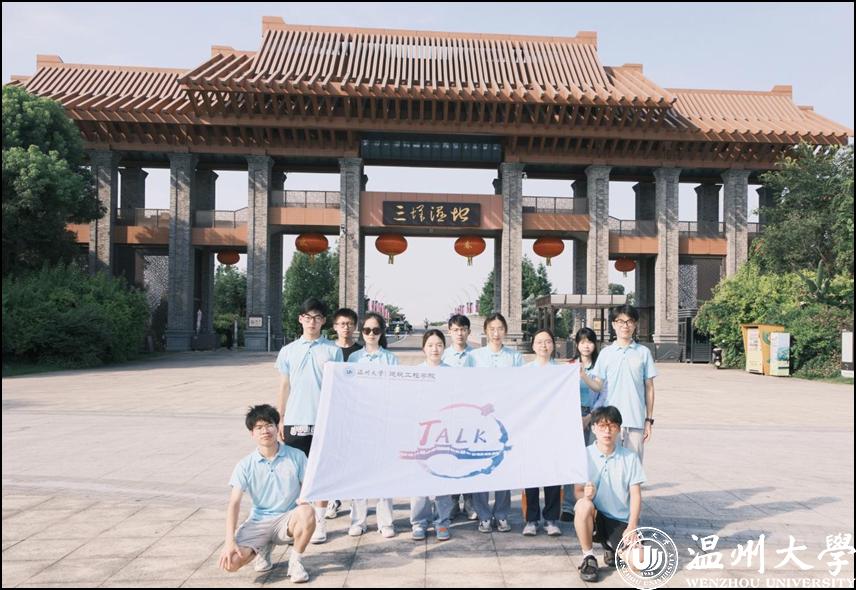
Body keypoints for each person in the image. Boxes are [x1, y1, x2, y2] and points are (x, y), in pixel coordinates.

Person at [218, 404, 315, 583]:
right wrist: (229, 541)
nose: (265, 431)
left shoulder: (297, 456)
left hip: (287, 520)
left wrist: (304, 500)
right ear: (252, 433)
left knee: (307, 511)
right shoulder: (245, 465)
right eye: (259, 427)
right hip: (259, 522)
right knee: (230, 563)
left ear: (277, 427)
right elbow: (234, 503)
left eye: (269, 425)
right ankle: (264, 547)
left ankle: (295, 562)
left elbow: (309, 487)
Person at [275, 297, 343, 545]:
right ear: (300, 319)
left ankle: (320, 522)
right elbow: (284, 385)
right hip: (295, 420)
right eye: (307, 317)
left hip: (323, 420)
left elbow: (339, 387)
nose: (311, 322)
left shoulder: (333, 351)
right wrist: (280, 417)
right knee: (296, 475)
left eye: (317, 317)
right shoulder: (288, 351)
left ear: (323, 321)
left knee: (321, 473)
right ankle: (298, 522)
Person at [573, 405, 645, 583]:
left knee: (640, 562)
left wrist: (632, 526)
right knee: (582, 505)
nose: (607, 431)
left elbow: (636, 495)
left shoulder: (630, 458)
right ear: (593, 428)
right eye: (602, 426)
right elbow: (577, 492)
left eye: (612, 426)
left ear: (619, 429)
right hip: (595, 516)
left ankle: (612, 549)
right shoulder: (583, 455)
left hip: (620, 520)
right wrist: (586, 496)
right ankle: (588, 557)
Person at [579, 305, 657, 463]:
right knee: (608, 467)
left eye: (629, 321)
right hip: (610, 421)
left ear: (635, 324)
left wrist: (648, 420)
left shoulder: (643, 353)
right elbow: (598, 386)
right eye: (620, 321)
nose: (625, 325)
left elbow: (649, 387)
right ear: (614, 324)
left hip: (635, 421)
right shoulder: (606, 353)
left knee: (633, 468)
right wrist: (583, 376)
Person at [469, 312, 523, 533]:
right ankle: (483, 514)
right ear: (485, 330)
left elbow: (521, 387)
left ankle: (501, 514)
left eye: (500, 328)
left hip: (505, 419)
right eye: (492, 328)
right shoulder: (475, 357)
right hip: (481, 420)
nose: (496, 333)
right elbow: (467, 386)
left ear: (505, 331)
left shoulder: (514, 357)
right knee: (480, 466)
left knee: (503, 467)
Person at [347, 312, 399, 538]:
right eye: (367, 330)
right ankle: (358, 520)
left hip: (383, 421)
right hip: (360, 421)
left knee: (383, 472)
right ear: (361, 332)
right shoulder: (354, 358)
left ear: (382, 332)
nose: (371, 334)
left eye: (376, 330)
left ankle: (385, 521)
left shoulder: (390, 359)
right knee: (359, 472)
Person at [409, 329, 456, 542]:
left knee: (442, 479)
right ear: (423, 348)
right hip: (421, 433)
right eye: (430, 345)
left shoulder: (452, 373)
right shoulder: (416, 373)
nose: (434, 349)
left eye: (438, 345)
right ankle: (419, 522)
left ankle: (442, 521)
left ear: (444, 348)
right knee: (420, 479)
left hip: (444, 433)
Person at [521, 328, 563, 537]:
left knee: (553, 475)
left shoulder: (561, 372)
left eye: (547, 341)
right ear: (533, 345)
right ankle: (531, 519)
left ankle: (551, 519)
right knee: (530, 476)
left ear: (553, 345)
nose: (543, 345)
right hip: (531, 430)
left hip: (553, 430)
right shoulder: (525, 371)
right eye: (539, 342)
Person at [560, 327, 604, 522]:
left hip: (594, 415)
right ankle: (568, 506)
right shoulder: (569, 366)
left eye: (590, 342)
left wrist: (590, 417)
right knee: (571, 460)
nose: (586, 346)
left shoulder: (600, 367)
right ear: (577, 344)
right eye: (583, 342)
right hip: (572, 416)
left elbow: (604, 394)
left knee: (592, 461)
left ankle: (590, 503)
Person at [324, 307, 363, 520]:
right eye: (341, 324)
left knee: (354, 457)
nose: (345, 328)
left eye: (349, 324)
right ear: (334, 326)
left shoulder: (361, 353)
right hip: (332, 410)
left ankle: (356, 503)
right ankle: (334, 498)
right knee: (333, 457)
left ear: (355, 326)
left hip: (355, 411)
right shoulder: (327, 351)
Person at [441, 314, 476, 520]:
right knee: (451, 458)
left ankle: (470, 502)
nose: (459, 333)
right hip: (449, 414)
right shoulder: (443, 355)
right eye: (455, 330)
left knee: (469, 458)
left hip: (471, 414)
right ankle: (453, 501)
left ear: (469, 332)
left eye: (463, 329)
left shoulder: (477, 356)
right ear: (449, 332)